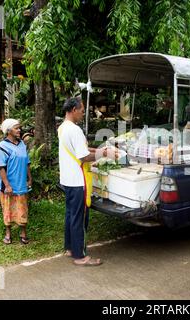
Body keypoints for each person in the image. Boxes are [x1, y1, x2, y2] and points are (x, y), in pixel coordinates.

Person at [58, 97, 112, 266]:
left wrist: (99, 150)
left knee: (70, 215)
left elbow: (79, 149)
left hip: (67, 179)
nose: (83, 113)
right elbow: (83, 156)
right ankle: (80, 256)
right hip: (77, 180)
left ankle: (70, 248)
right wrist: (103, 154)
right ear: (74, 109)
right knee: (79, 219)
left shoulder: (63, 127)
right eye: (81, 110)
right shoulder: (75, 130)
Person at [0, 119, 32, 245]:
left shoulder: (22, 144)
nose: (19, 130)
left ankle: (23, 233)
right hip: (9, 186)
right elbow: (0, 167)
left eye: (19, 128)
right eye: (16, 128)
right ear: (8, 131)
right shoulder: (2, 147)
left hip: (21, 183)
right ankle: (8, 233)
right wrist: (7, 185)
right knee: (8, 209)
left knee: (22, 208)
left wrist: (29, 178)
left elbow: (27, 162)